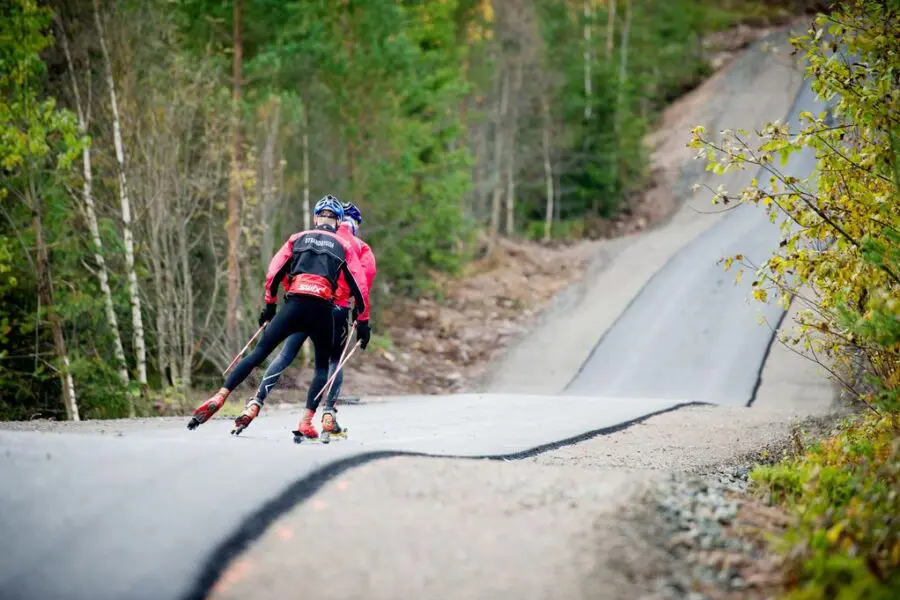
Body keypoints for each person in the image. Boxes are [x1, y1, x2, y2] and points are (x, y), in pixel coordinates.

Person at [186, 195, 370, 442]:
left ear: (316, 217)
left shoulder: (297, 238)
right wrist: (364, 321)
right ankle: (307, 420)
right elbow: (359, 285)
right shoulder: (344, 246)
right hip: (323, 309)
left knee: (258, 353)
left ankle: (220, 395)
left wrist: (270, 306)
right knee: (322, 367)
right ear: (337, 221)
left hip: (294, 304)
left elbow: (274, 272)